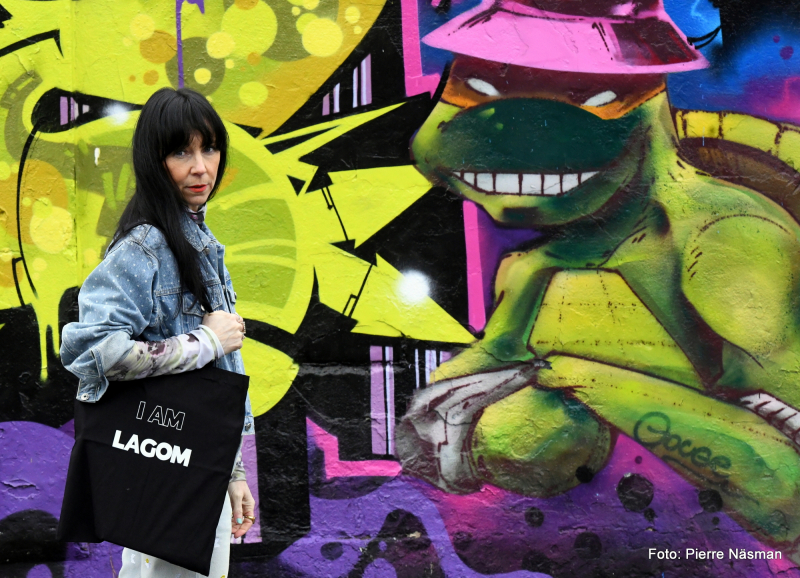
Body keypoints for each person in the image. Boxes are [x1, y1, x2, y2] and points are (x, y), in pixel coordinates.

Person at [398, 0, 800, 561]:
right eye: (481, 89)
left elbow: (787, 495)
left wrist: (580, 377)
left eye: (588, 95)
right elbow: (461, 396)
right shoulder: (537, 269)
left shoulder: (724, 242)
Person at [60, 87, 255, 577]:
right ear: (154, 160)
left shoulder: (199, 242)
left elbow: (214, 386)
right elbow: (95, 349)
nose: (201, 168)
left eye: (210, 148)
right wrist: (205, 341)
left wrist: (230, 471)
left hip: (196, 471)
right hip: (167, 474)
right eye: (181, 152)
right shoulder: (146, 246)